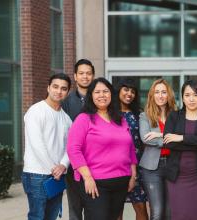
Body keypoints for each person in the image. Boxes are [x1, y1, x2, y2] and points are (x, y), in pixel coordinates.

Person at [67, 78, 138, 220]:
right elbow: (73, 149)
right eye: (97, 92)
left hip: (121, 181)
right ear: (91, 96)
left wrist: (133, 175)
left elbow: (130, 148)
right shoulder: (84, 119)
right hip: (96, 183)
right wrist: (87, 177)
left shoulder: (120, 119)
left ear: (111, 94)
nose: (102, 95)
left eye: (105, 91)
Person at [22, 73, 72, 220]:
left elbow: (71, 145)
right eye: (55, 87)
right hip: (36, 174)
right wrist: (54, 168)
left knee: (51, 217)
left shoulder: (66, 119)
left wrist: (63, 165)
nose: (59, 91)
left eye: (63, 88)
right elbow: (37, 144)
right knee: (37, 216)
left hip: (57, 176)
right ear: (48, 88)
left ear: (68, 92)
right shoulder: (36, 111)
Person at [163, 80, 197, 220]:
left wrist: (181, 138)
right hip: (177, 177)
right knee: (180, 215)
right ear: (182, 97)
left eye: (196, 95)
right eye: (187, 95)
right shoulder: (174, 116)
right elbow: (169, 143)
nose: (191, 99)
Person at [139, 79, 177, 220]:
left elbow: (182, 137)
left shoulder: (176, 115)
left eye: (163, 92)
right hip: (152, 168)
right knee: (157, 212)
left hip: (173, 165)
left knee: (170, 212)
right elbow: (146, 138)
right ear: (152, 95)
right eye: (157, 92)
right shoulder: (145, 116)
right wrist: (170, 139)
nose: (160, 96)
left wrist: (160, 135)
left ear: (169, 95)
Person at [62, 58, 95, 220]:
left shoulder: (99, 99)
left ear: (93, 76)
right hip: (73, 164)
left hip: (96, 162)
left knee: (94, 207)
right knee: (75, 209)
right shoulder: (66, 102)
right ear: (75, 76)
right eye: (81, 73)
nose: (85, 76)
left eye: (88, 73)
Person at [115, 79, 148, 220]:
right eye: (126, 90)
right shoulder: (110, 113)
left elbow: (144, 139)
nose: (129, 94)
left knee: (141, 207)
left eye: (132, 91)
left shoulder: (138, 114)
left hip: (138, 165)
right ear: (119, 91)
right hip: (116, 166)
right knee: (117, 208)